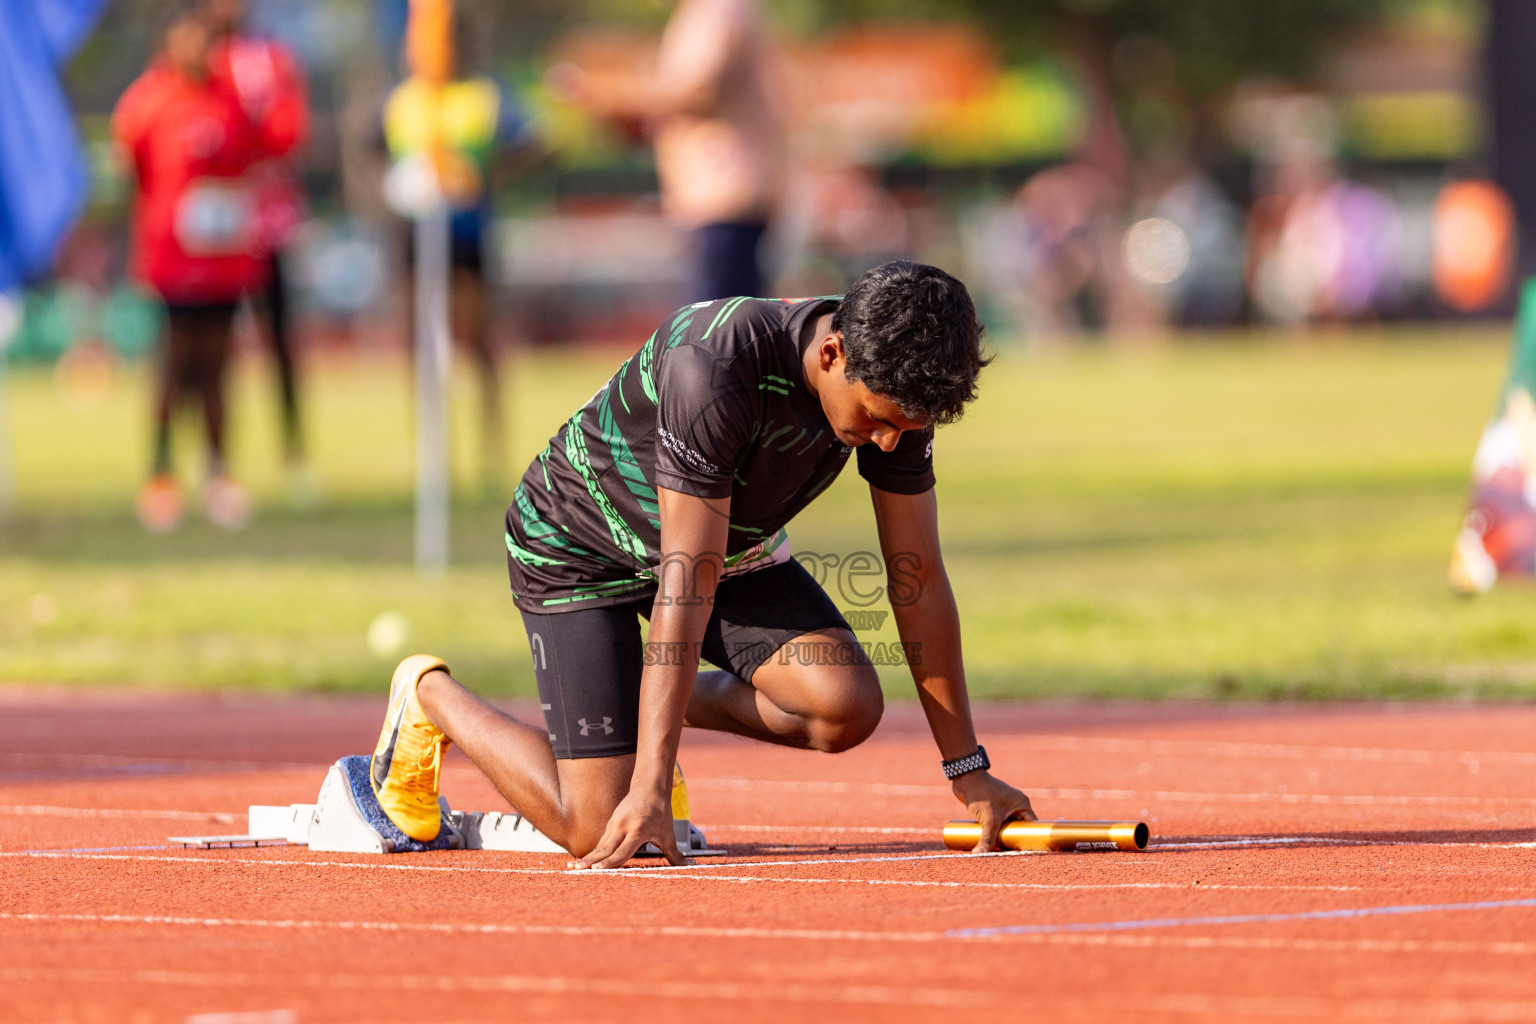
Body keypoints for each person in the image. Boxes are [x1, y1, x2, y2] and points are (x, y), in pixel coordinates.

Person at [369, 260, 1036, 867]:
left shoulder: (892, 387)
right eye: (875, 421)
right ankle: (429, 697)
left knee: (845, 707)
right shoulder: (713, 365)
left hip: (724, 546)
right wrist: (650, 785)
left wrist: (967, 769)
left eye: (906, 428)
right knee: (597, 827)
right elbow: (686, 584)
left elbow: (917, 578)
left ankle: (640, 708)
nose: (888, 441)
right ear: (832, 354)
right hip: (576, 547)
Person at [114, 6, 298, 531]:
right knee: (174, 367)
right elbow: (133, 166)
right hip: (172, 262)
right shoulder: (149, 100)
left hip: (224, 261)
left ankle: (218, 473)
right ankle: (161, 475)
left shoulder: (232, 100)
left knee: (218, 368)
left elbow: (263, 151)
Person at [548, 0, 783, 302]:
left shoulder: (718, 9)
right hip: (715, 192)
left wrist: (605, 93)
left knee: (722, 328)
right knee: (725, 324)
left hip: (727, 188)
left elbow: (696, 93)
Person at [382, 20, 533, 489]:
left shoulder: (485, 97)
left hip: (468, 237)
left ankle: (491, 450)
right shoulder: (401, 100)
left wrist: (484, 179)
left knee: (479, 342)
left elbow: (531, 142)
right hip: (413, 237)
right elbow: (374, 157)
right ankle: (431, 451)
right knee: (418, 344)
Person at [200, 0, 312, 501]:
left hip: (266, 217)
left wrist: (246, 141)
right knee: (208, 345)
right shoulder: (196, 54)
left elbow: (288, 129)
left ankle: (294, 454)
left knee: (280, 339)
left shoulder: (271, 55)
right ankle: (214, 459)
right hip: (213, 223)